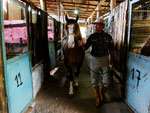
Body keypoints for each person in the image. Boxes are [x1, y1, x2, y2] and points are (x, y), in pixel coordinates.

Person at [78, 18, 115, 107]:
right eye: (95, 24)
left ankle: (103, 93)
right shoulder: (92, 37)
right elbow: (85, 48)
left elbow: (112, 50)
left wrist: (112, 62)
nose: (95, 26)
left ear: (102, 26)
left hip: (105, 59)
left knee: (106, 81)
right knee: (94, 80)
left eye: (97, 24)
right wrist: (81, 45)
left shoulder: (108, 37)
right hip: (94, 60)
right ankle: (98, 98)